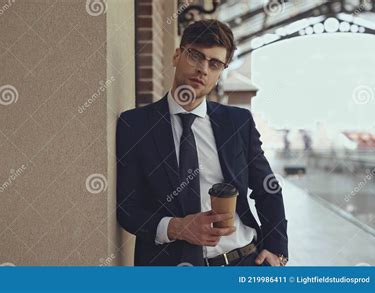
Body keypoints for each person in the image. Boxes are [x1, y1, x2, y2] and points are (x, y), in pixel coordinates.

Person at [116, 19, 288, 266]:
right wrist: (176, 227)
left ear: (220, 72)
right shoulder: (135, 125)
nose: (203, 69)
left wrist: (276, 248)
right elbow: (127, 207)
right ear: (177, 56)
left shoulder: (237, 122)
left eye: (215, 64)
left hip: (243, 261)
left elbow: (267, 188)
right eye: (196, 56)